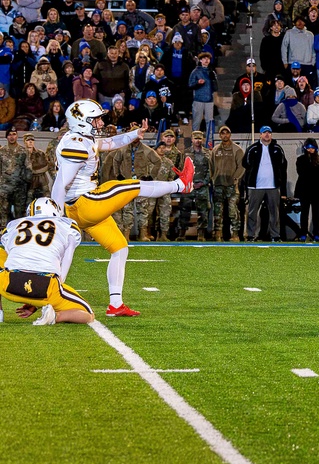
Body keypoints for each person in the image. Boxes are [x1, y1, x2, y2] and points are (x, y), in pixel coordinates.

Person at [52, 101, 194, 317]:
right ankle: (180, 185)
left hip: (84, 207)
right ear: (81, 122)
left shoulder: (81, 139)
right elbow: (60, 184)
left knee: (120, 248)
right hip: (84, 204)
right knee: (130, 185)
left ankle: (115, 304)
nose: (100, 122)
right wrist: (57, 217)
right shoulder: (76, 144)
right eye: (95, 119)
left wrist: (134, 133)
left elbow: (109, 142)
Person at [0, 197, 94, 326]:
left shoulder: (14, 225)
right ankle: (55, 316)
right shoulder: (66, 225)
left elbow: (11, 255)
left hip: (7, 286)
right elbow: (68, 255)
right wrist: (57, 285)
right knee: (88, 314)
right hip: (45, 289)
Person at [242, 125, 288, 243]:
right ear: (260, 135)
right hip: (255, 186)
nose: (267, 135)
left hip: (272, 186)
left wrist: (282, 189)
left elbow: (283, 167)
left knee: (274, 213)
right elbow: (245, 163)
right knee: (252, 212)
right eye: (264, 132)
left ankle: (275, 235)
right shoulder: (252, 148)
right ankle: (251, 235)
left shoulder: (277, 149)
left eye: (269, 132)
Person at [211, 125, 244, 242]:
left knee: (233, 210)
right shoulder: (215, 150)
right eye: (222, 133)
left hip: (232, 186)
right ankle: (218, 234)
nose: (225, 135)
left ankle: (235, 234)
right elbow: (211, 166)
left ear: (230, 134)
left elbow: (242, 166)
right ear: (220, 135)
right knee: (217, 211)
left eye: (227, 133)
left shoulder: (237, 149)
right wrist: (213, 178)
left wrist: (235, 178)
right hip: (218, 185)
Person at [295, 138, 319, 242]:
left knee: (316, 214)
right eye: (308, 148)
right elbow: (301, 172)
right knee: (304, 213)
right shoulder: (300, 159)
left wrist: (311, 169)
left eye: (312, 148)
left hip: (317, 190)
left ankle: (316, 234)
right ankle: (303, 233)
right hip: (304, 189)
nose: (310, 150)